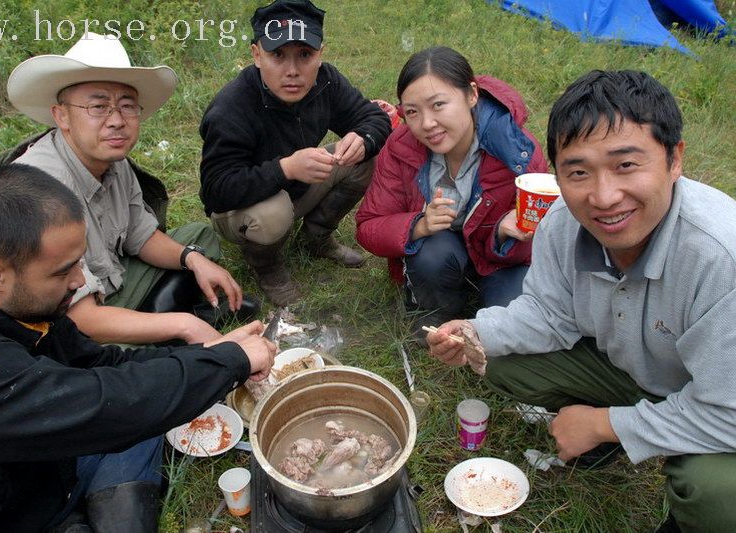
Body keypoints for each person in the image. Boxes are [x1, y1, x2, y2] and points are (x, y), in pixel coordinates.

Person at [427, 70, 736, 532]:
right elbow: (549, 313)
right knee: (498, 359)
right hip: (636, 372)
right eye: (578, 171)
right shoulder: (562, 221)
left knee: (716, 492)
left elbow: (728, 415)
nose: (604, 197)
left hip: (717, 398)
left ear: (675, 160)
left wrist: (604, 424)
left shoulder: (721, 257)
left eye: (626, 165)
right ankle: (616, 435)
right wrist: (474, 332)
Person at [0, 164, 275, 532]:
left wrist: (211, 353)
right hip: (2, 514)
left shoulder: (23, 308)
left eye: (79, 263)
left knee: (143, 408)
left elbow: (105, 363)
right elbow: (98, 404)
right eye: (61, 272)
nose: (80, 281)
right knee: (127, 410)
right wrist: (228, 363)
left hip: (54, 463)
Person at [4, 32, 258, 346]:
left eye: (127, 106)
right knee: (115, 359)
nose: (116, 121)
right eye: (98, 107)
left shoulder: (113, 160)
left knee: (197, 238)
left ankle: (167, 320)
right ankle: (174, 325)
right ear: (62, 116)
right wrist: (185, 325)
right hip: (73, 321)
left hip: (113, 281)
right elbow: (82, 319)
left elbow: (140, 234)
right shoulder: (39, 189)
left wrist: (192, 259)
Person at [198, 0, 392, 306]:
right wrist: (285, 169)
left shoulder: (326, 81)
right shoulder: (231, 107)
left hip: (296, 188)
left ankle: (316, 238)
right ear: (256, 55)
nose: (292, 71)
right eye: (278, 55)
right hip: (239, 210)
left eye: (304, 55)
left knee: (363, 158)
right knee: (272, 211)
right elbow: (215, 192)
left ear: (320, 54)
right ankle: (268, 267)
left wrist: (363, 138)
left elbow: (374, 118)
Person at [355, 47, 546, 343]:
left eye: (438, 105)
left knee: (511, 326)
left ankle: (487, 303)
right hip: (441, 254)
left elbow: (542, 244)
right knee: (432, 250)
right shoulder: (401, 145)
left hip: (501, 261)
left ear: (471, 95)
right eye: (413, 112)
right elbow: (368, 226)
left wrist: (505, 233)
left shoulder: (519, 153)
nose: (427, 124)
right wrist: (418, 225)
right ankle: (435, 311)